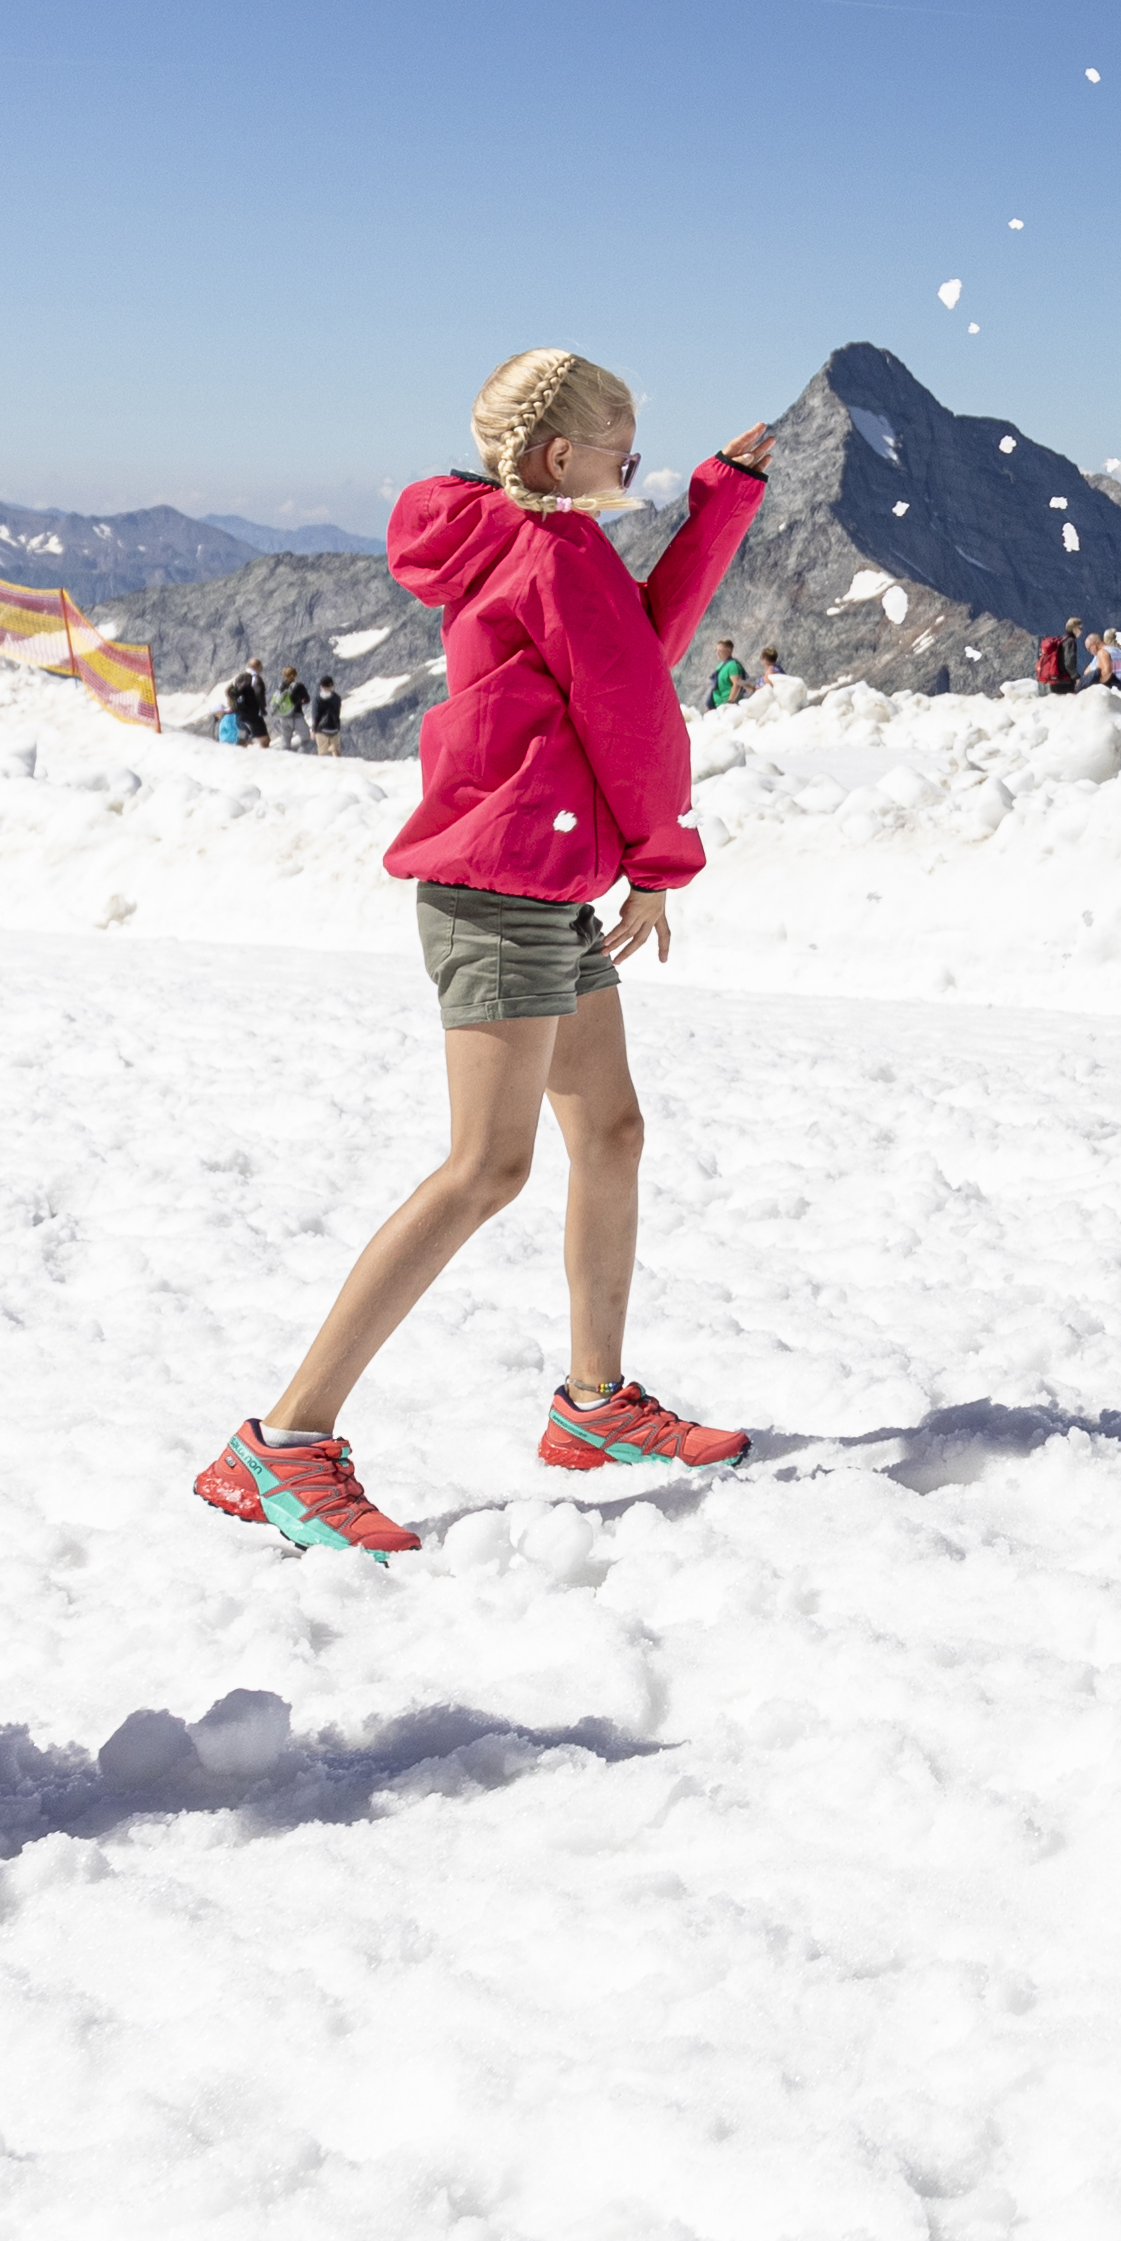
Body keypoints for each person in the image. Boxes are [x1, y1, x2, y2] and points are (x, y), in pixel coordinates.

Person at [197, 351, 773, 1552]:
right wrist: (661, 867)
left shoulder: (523, 540)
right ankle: (285, 1443)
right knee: (486, 1169)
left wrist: (721, 498)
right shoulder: (554, 551)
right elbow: (634, 714)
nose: (635, 458)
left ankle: (595, 1404)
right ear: (562, 455)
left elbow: (632, 648)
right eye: (624, 439)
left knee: (609, 1131)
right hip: (503, 888)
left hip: (538, 882)